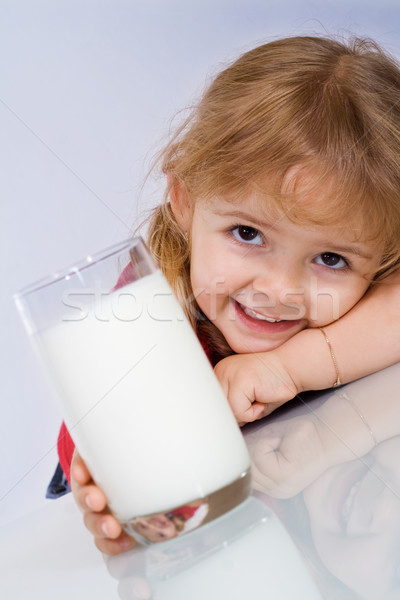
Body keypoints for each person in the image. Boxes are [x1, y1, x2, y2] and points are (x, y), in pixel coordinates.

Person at [64, 34, 400, 555]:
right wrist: (115, 490)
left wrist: (288, 368)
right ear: (184, 201)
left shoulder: (378, 290)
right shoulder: (145, 317)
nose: (279, 290)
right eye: (247, 234)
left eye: (331, 259)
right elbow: (97, 430)